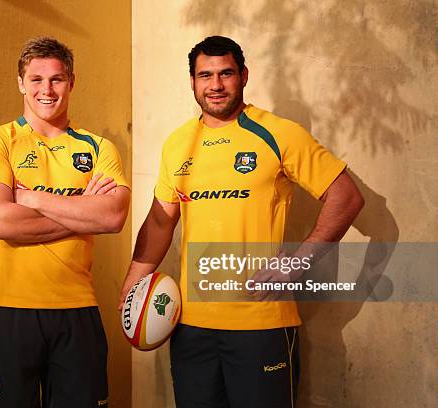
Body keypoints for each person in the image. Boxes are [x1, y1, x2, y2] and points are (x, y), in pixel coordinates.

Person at [119, 36, 364, 408]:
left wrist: (296, 263)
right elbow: (158, 221)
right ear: (192, 82)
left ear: (244, 76)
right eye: (205, 75)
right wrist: (133, 281)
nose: (215, 85)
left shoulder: (278, 133)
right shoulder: (178, 144)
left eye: (225, 74)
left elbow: (346, 197)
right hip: (190, 327)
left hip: (261, 324)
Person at [0, 37, 130, 408]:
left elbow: (114, 215)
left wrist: (31, 198)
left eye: (57, 79)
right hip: (11, 310)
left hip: (78, 311)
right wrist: (83, 209)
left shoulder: (97, 148)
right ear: (21, 83)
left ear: (71, 82)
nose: (47, 89)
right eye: (37, 79)